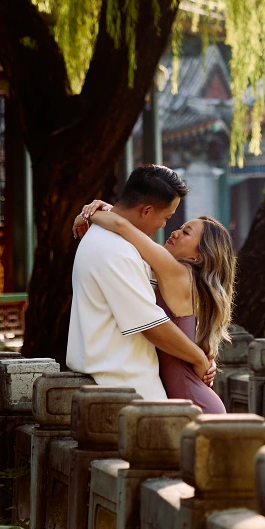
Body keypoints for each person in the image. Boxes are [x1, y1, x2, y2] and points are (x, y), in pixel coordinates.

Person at [68, 165, 214, 401]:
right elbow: (151, 325)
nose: (166, 227)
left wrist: (95, 211)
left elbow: (121, 224)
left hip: (130, 384)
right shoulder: (115, 250)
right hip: (127, 386)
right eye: (167, 218)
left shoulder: (118, 243)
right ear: (147, 210)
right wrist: (200, 359)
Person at [77, 204, 236, 415]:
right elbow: (129, 231)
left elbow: (122, 225)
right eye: (180, 227)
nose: (175, 232)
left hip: (195, 405)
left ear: (199, 256)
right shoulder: (184, 280)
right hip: (192, 402)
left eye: (186, 232)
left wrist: (88, 213)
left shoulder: (179, 273)